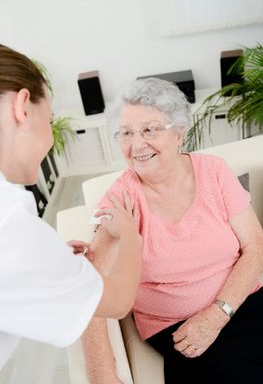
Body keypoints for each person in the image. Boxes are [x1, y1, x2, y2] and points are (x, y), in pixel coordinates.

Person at [83, 77, 263, 384]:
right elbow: (91, 288)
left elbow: (256, 246)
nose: (137, 144)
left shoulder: (214, 171)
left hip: (244, 300)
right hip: (181, 326)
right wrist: (104, 377)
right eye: (126, 133)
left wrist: (220, 312)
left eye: (150, 129)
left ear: (179, 133)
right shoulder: (121, 199)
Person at [0, 44, 142, 371]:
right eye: (49, 120)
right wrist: (131, 236)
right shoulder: (8, 221)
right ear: (23, 107)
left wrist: (44, 259)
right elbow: (117, 302)